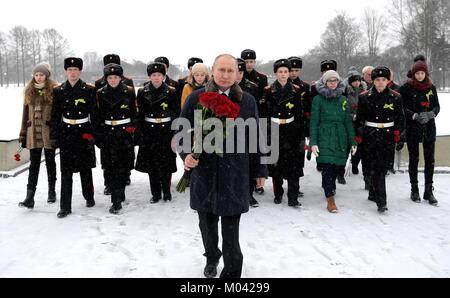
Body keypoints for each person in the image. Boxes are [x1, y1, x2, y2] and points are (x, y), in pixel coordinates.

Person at [179, 54, 267, 278]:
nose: (226, 75)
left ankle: (231, 273)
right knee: (207, 225)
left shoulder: (247, 101)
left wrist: (260, 170)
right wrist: (186, 154)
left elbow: (256, 136)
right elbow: (181, 132)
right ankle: (211, 256)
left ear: (238, 73)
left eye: (231, 71)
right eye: (222, 70)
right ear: (213, 71)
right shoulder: (196, 98)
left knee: (231, 229)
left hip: (234, 173)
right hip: (204, 172)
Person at [50, 57, 98, 218]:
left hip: (83, 132)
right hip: (66, 133)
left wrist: (92, 134)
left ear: (80, 71)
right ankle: (65, 206)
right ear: (65, 71)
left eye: (75, 70)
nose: (72, 72)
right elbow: (55, 115)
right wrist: (54, 136)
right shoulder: (58, 90)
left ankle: (89, 196)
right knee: (66, 171)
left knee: (85, 169)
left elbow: (94, 115)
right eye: (70, 70)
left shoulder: (89, 89)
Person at [356, 66, 405, 213]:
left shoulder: (396, 97)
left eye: (384, 80)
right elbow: (360, 119)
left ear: (388, 80)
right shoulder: (364, 96)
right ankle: (377, 196)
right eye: (377, 80)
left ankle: (378, 197)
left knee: (381, 168)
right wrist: (359, 134)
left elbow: (400, 117)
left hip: (387, 135)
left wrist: (398, 133)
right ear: (373, 80)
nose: (381, 83)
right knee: (371, 166)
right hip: (370, 135)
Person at [310, 70, 356, 213]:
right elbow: (314, 121)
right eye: (329, 81)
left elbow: (348, 121)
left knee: (336, 167)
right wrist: (313, 142)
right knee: (327, 167)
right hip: (324, 136)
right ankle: (330, 199)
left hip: (340, 137)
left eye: (335, 81)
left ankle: (331, 187)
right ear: (324, 82)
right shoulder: (318, 99)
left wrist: (352, 141)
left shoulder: (343, 100)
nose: (332, 83)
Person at [96, 63, 137, 214]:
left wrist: (132, 130)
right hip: (108, 133)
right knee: (110, 167)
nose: (113, 80)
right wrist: (99, 135)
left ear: (120, 78)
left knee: (123, 166)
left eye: (115, 77)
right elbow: (98, 115)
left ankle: (120, 192)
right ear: (106, 79)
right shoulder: (100, 93)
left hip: (124, 133)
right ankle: (116, 200)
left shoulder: (129, 91)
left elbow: (134, 113)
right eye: (110, 77)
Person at [135, 62, 178, 203]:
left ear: (164, 76)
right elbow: (140, 115)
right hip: (149, 132)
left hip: (165, 131)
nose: (156, 78)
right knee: (152, 165)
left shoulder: (171, 91)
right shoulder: (142, 92)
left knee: (165, 164)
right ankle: (155, 193)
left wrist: (175, 133)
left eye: (159, 75)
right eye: (154, 75)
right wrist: (140, 134)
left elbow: (176, 113)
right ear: (150, 76)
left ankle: (166, 192)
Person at [263, 59, 304, 207]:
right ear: (275, 73)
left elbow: (299, 113)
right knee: (276, 165)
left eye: (286, 71)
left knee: (293, 165)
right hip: (274, 129)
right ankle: (278, 194)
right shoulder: (268, 90)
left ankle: (293, 197)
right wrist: (267, 132)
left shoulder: (296, 90)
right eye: (280, 71)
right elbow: (265, 113)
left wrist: (300, 134)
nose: (283, 74)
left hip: (291, 130)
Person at [18, 63, 58, 209]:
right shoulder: (29, 91)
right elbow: (24, 116)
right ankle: (30, 197)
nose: (39, 77)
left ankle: (51, 191)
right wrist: (23, 134)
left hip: (48, 134)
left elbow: (57, 114)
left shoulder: (54, 90)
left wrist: (56, 133)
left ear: (46, 75)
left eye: (41, 74)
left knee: (50, 163)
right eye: (36, 75)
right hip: (33, 134)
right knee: (33, 165)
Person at [400, 60, 439, 205]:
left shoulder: (431, 87)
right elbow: (401, 107)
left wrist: (431, 114)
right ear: (413, 74)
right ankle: (414, 189)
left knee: (430, 160)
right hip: (413, 128)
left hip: (428, 128)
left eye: (422, 73)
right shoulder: (406, 88)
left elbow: (437, 106)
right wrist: (413, 115)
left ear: (426, 73)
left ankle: (428, 191)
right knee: (414, 159)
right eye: (417, 73)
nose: (420, 76)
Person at [236, 58, 260, 207]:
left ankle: (249, 194)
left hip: (248, 128)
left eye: (240, 72)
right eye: (235, 72)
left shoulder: (252, 88)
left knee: (249, 164)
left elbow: (256, 110)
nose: (238, 75)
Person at [288, 56, 311, 198]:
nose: (293, 73)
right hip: (285, 125)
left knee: (298, 157)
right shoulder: (283, 85)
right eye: (291, 70)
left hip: (299, 126)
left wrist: (306, 125)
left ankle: (295, 186)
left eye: (296, 70)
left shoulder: (305, 87)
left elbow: (308, 107)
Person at [344, 67, 367, 177]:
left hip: (362, 123)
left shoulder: (365, 92)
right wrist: (352, 116)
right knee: (349, 145)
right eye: (354, 81)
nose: (357, 83)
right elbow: (344, 109)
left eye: (358, 80)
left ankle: (356, 164)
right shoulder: (347, 93)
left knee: (360, 145)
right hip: (350, 123)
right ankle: (344, 167)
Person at [241, 49, 268, 118]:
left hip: (257, 113)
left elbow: (263, 100)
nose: (249, 64)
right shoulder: (237, 78)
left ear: (255, 62)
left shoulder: (263, 78)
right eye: (246, 62)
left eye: (251, 61)